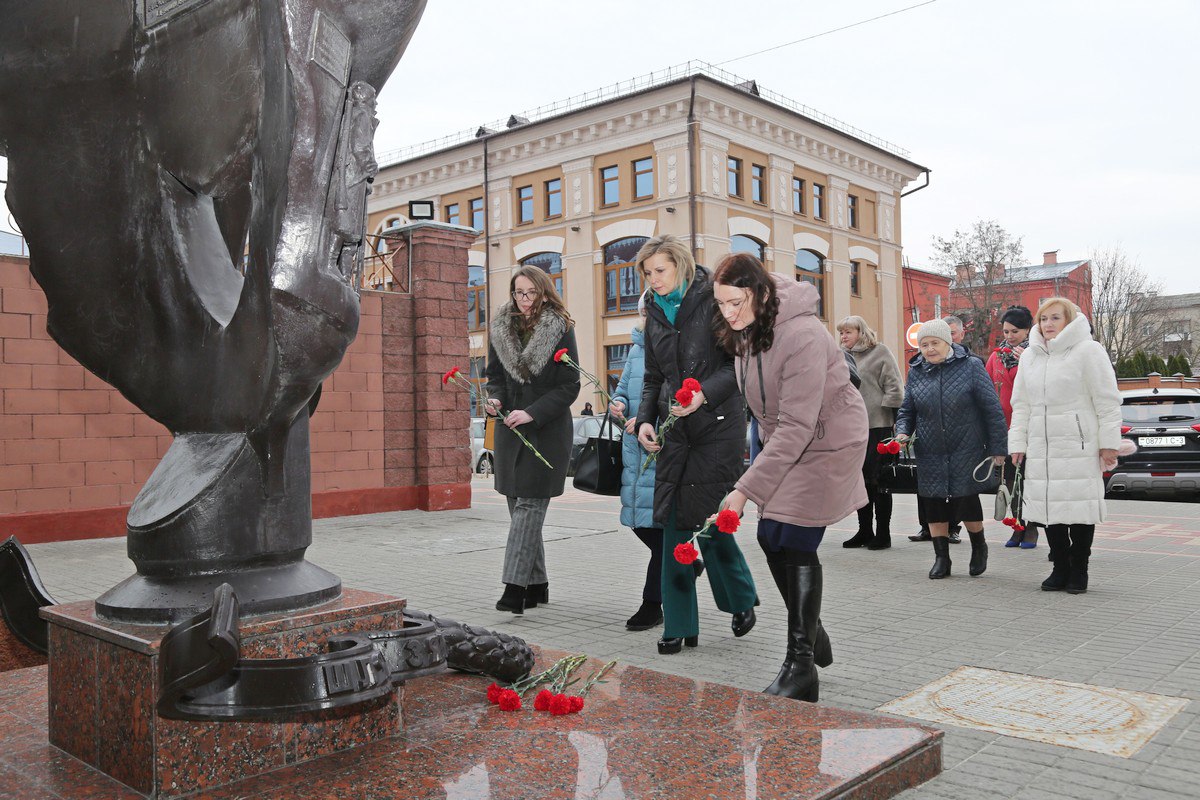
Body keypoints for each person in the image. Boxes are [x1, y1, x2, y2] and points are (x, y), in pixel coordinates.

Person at [712, 253, 866, 702]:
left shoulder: (802, 334)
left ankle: (801, 668)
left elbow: (799, 425)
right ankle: (812, 629)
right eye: (721, 304)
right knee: (770, 537)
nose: (728, 313)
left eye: (735, 302)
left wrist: (743, 489)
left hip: (827, 439)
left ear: (759, 292)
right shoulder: (745, 330)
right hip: (786, 438)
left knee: (795, 538)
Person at [634, 234, 758, 655]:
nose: (654, 280)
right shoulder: (652, 314)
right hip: (675, 428)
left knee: (706, 522)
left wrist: (703, 393)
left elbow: (736, 365)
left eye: (661, 271)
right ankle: (680, 623)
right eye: (648, 273)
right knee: (672, 523)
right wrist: (646, 421)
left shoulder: (713, 302)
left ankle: (740, 598)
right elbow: (654, 377)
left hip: (716, 426)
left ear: (682, 267)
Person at [484, 266, 581, 614]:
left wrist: (533, 412)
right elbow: (493, 376)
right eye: (518, 293)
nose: (523, 300)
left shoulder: (560, 328)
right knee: (517, 507)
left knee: (528, 508)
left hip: (546, 431)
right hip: (510, 429)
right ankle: (537, 585)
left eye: (530, 293)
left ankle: (514, 587)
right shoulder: (500, 328)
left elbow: (570, 384)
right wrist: (494, 399)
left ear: (543, 292)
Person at [1009, 298, 1122, 594]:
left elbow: (1107, 402)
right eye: (1043, 319)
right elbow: (1020, 405)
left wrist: (1109, 444)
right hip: (1041, 448)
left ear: (1069, 320)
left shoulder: (1088, 351)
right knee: (1049, 510)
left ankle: (1079, 569)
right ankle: (1060, 567)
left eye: (1055, 318)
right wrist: (1017, 443)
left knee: (1080, 510)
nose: (1047, 324)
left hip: (1079, 445)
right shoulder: (1030, 357)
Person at [895, 319, 1008, 579]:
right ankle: (941, 558)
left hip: (965, 446)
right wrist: (902, 431)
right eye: (924, 345)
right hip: (929, 448)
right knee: (933, 503)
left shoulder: (971, 367)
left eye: (935, 343)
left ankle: (979, 547)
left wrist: (997, 448)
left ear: (948, 342)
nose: (929, 349)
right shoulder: (916, 371)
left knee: (965, 499)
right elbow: (907, 410)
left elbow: (992, 410)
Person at [609, 296, 665, 631]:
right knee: (639, 523)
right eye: (642, 312)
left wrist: (646, 420)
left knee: (658, 530)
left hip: (659, 448)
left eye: (650, 312)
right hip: (634, 451)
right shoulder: (635, 349)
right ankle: (685, 567)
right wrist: (618, 405)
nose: (644, 317)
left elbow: (673, 400)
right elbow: (623, 391)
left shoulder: (673, 348)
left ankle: (651, 604)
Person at [837, 315, 904, 550]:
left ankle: (883, 533)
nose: (843, 336)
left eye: (848, 332)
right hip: (852, 429)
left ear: (861, 332)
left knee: (879, 482)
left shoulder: (880, 352)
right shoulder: (841, 356)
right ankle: (864, 530)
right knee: (859, 482)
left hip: (879, 427)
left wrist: (895, 420)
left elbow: (894, 386)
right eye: (842, 332)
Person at [985, 305, 1041, 549]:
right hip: (1003, 427)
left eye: (1015, 332)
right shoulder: (996, 356)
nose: (1009, 336)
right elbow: (987, 390)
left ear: (1028, 330)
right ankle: (1016, 524)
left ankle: (1031, 528)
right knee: (1009, 480)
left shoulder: (1037, 353)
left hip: (1029, 427)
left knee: (1028, 480)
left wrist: (1028, 362)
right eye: (1006, 331)